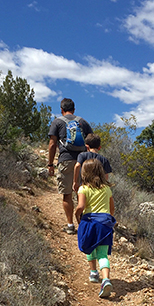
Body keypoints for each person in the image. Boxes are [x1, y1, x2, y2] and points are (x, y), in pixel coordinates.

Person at [48, 98, 92, 234]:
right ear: (74, 109)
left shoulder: (57, 122)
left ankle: (70, 225)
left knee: (67, 194)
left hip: (66, 160)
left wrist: (50, 164)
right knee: (81, 193)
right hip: (83, 161)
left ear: (61, 110)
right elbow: (92, 141)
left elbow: (52, 145)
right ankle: (83, 224)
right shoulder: (83, 122)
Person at [75, 159, 116, 299]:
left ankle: (93, 272)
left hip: (89, 221)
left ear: (84, 173)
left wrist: (76, 215)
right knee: (103, 255)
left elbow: (80, 207)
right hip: (104, 223)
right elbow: (112, 209)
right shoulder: (107, 189)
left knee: (89, 245)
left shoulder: (83, 189)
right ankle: (106, 280)